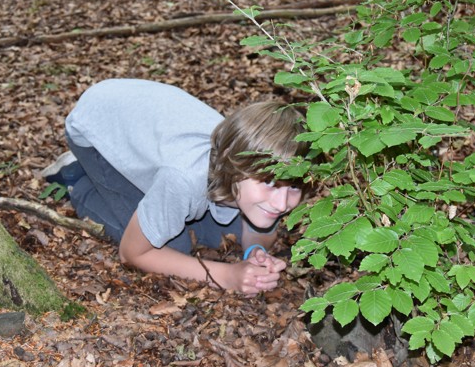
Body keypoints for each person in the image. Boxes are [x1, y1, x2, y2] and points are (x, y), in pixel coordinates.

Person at [42, 78, 308, 295]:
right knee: (173, 248)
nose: (282, 203)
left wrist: (254, 253)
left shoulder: (251, 169)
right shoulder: (184, 178)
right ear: (235, 166)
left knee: (224, 236)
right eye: (270, 184)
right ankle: (76, 177)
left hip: (148, 122)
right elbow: (132, 253)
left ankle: (160, 204)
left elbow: (258, 229)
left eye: (293, 188)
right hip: (97, 125)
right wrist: (228, 276)